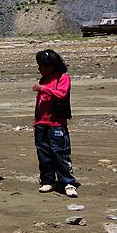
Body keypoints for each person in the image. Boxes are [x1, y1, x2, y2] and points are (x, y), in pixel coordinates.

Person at [32, 49, 79, 197]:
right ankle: (48, 180)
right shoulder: (43, 79)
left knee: (60, 153)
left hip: (56, 123)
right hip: (41, 122)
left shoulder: (63, 77)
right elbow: (39, 103)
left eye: (42, 66)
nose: (39, 69)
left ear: (51, 66)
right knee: (43, 153)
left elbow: (62, 94)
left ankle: (68, 182)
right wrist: (36, 121)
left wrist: (43, 89)